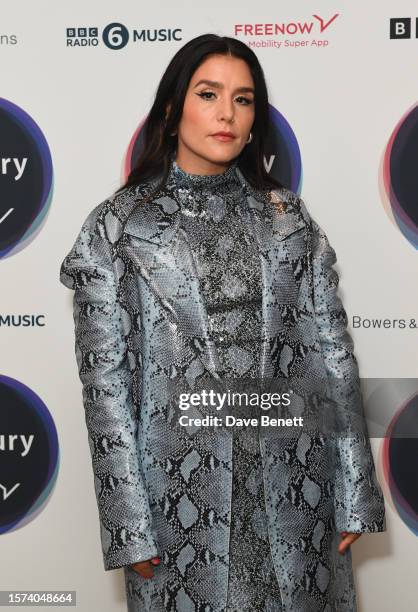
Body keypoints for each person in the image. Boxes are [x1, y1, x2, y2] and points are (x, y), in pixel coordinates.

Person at [59, 33, 386, 612]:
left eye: (243, 99)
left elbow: (334, 356)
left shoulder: (289, 220)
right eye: (208, 94)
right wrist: (129, 523)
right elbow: (104, 387)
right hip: (178, 497)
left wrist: (354, 492)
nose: (226, 114)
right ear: (171, 107)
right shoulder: (118, 227)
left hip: (295, 488)